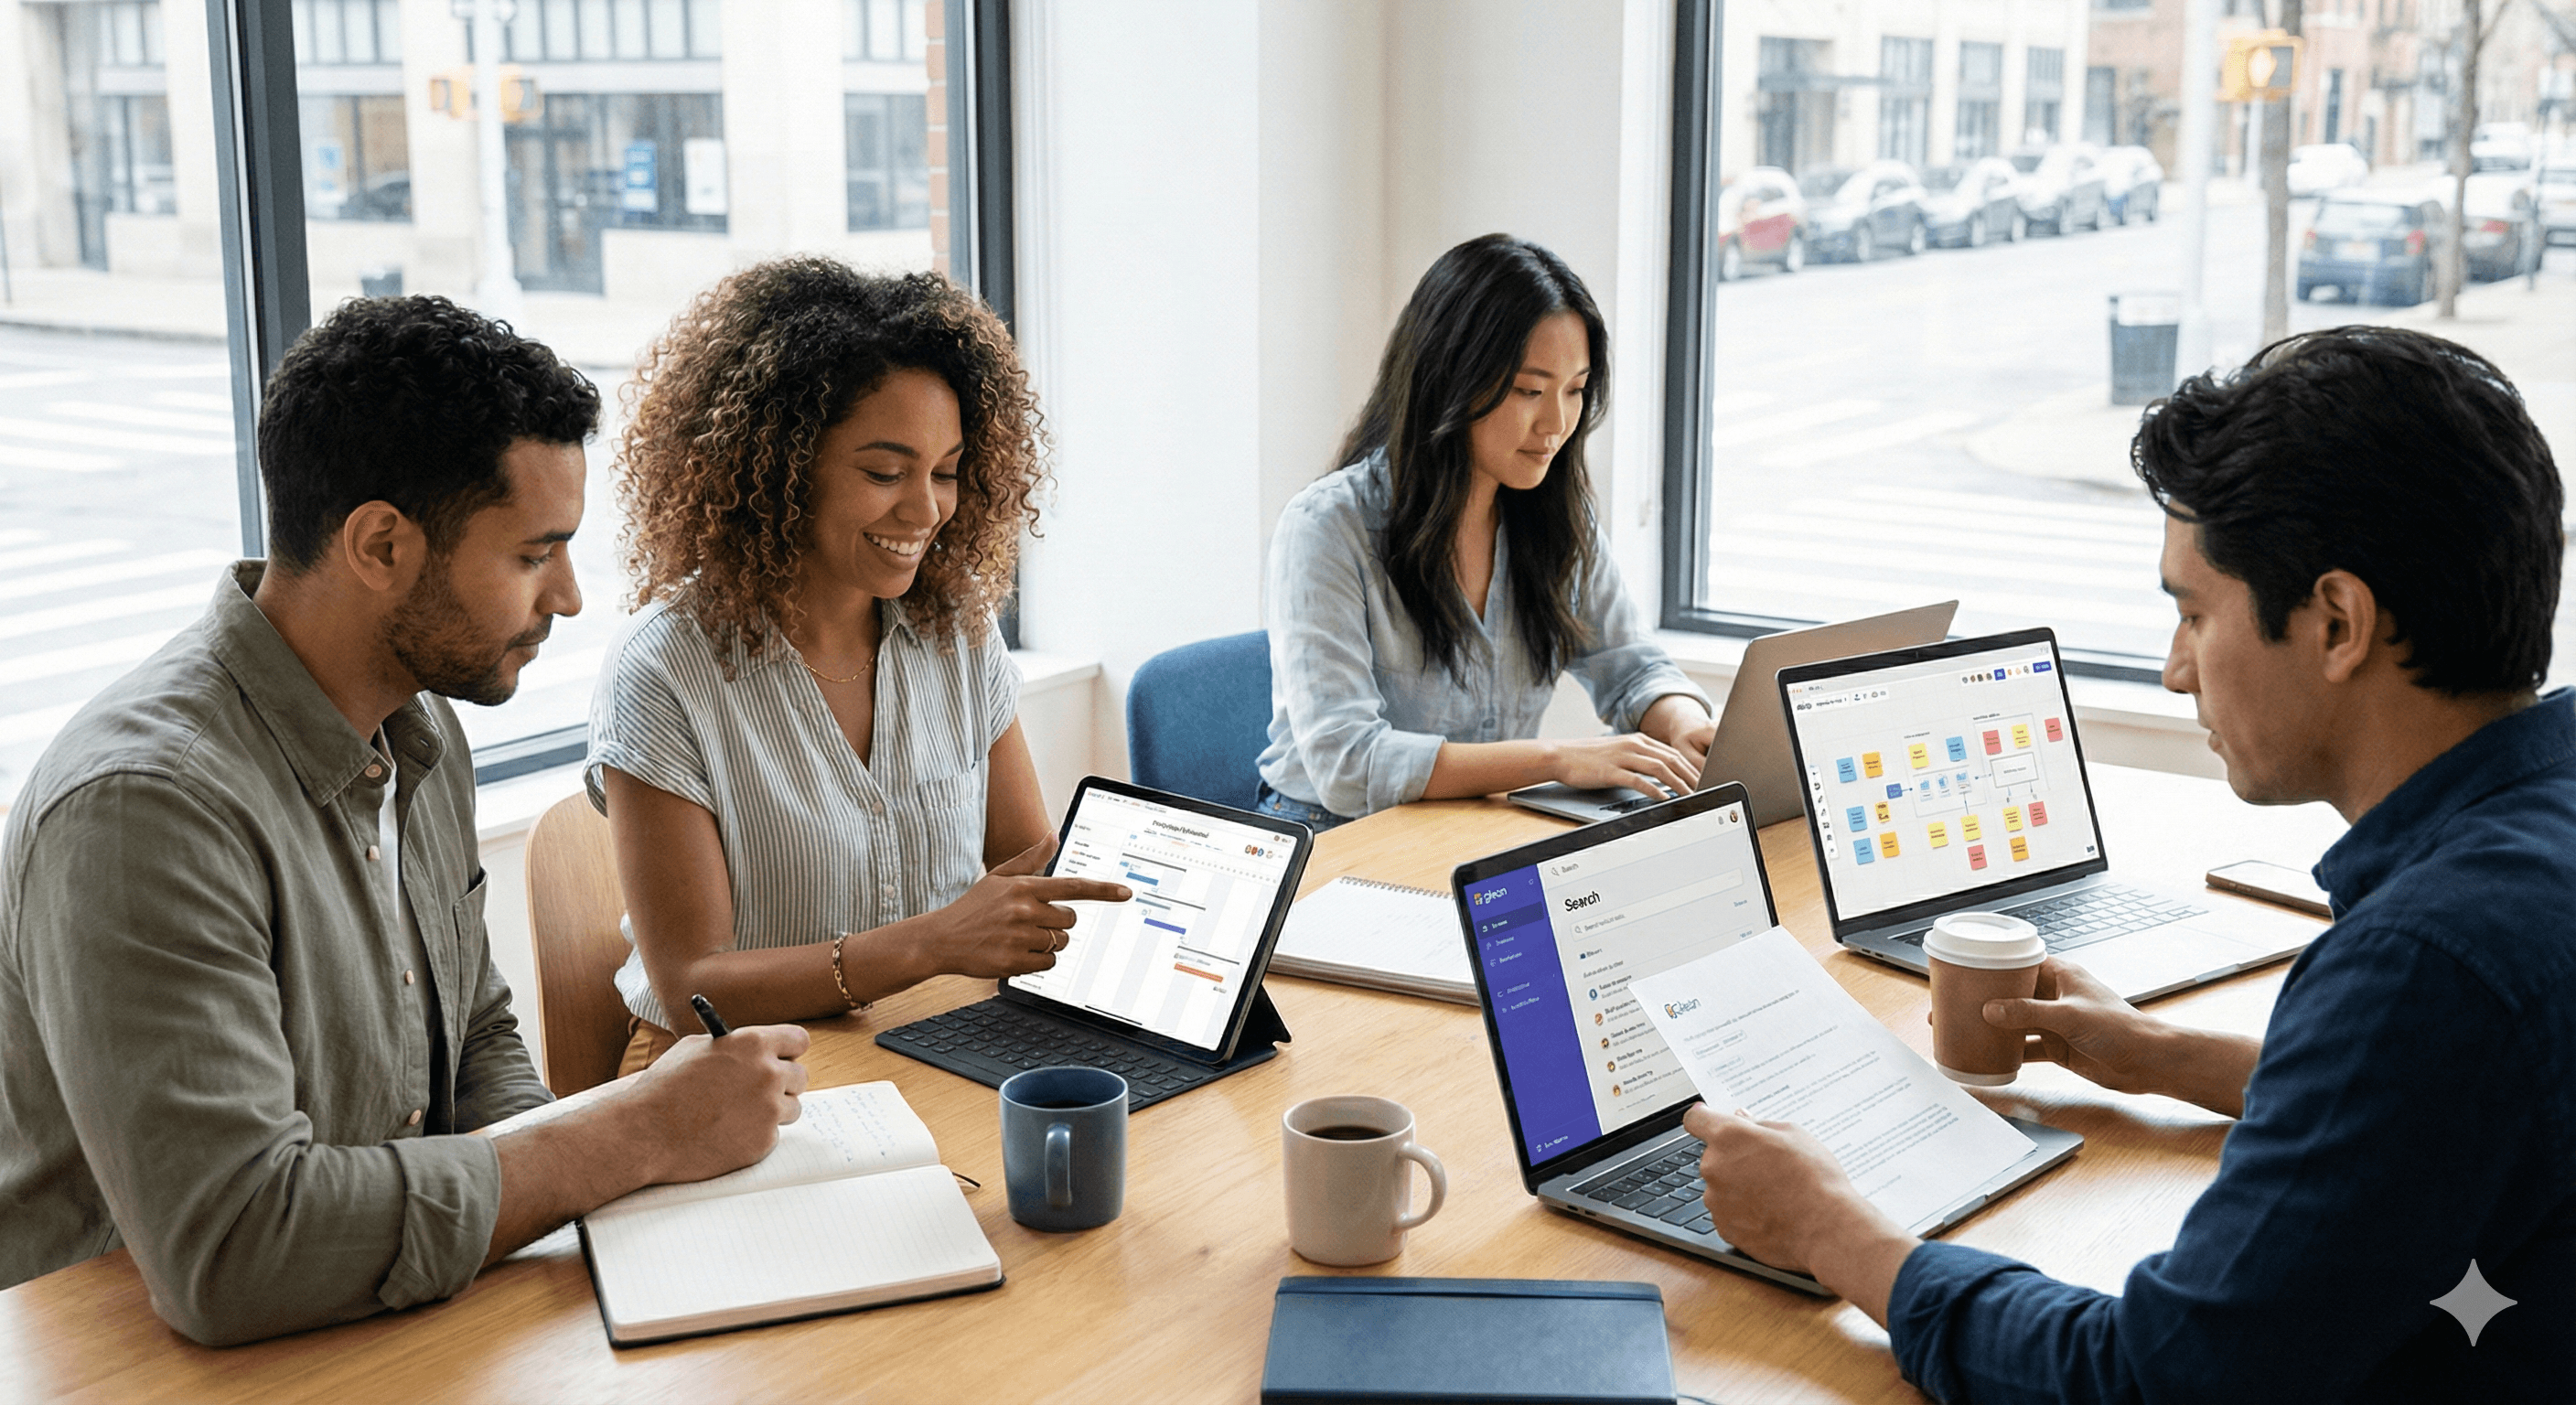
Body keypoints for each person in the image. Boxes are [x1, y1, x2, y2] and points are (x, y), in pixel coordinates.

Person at [1681, 327, 2575, 1400]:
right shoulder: (2528, 850)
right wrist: (2162, 1057)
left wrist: (1835, 1233)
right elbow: (2448, 1116)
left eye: (2193, 613)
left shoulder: (2427, 964)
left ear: (2335, 621)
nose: (2169, 672)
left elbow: (2150, 1381)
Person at [0, 297, 809, 1344]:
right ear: (381, 544)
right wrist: (633, 1136)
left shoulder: (417, 723)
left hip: (383, 1321)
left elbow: (472, 1038)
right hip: (159, 1362)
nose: (567, 597)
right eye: (533, 554)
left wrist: (621, 1205)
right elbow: (233, 1253)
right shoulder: (143, 811)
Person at [591, 258, 1129, 1070]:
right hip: (730, 1067)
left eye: (946, 473)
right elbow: (693, 989)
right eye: (884, 472)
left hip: (932, 1035)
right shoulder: (665, 672)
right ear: (776, 464)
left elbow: (1022, 863)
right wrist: (930, 943)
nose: (925, 511)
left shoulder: (955, 630)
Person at [1257, 234, 1714, 830]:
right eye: (1529, 390)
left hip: (1475, 823)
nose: (1556, 424)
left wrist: (1685, 722)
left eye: (1575, 391)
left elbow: (1629, 666)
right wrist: (1558, 760)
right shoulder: (1327, 528)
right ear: (1450, 379)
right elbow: (1348, 764)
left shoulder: (1555, 518)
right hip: (1332, 834)